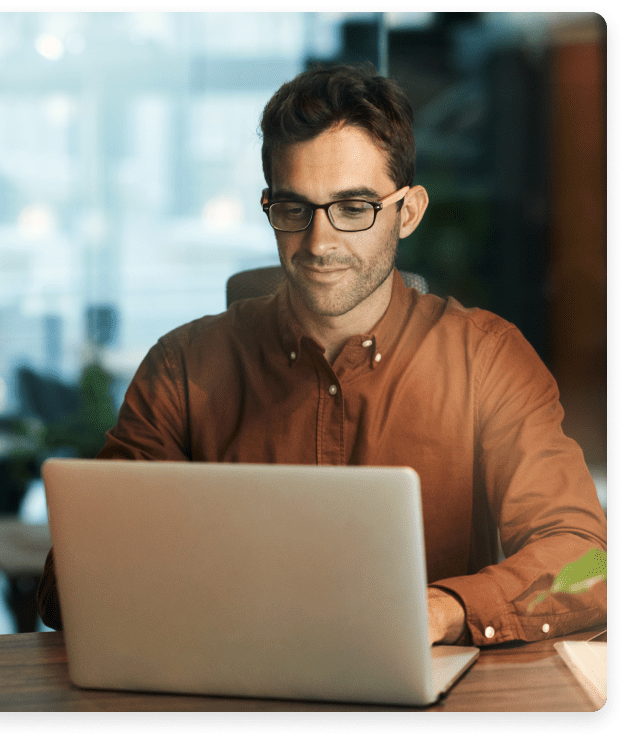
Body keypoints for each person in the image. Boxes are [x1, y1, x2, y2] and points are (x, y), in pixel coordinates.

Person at [36, 63, 607, 646]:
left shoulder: (488, 362)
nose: (319, 242)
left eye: (354, 208)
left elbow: (590, 567)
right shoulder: (184, 369)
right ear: (269, 208)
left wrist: (445, 610)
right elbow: (73, 579)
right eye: (293, 210)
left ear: (407, 212)